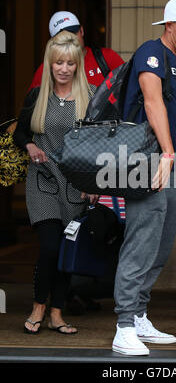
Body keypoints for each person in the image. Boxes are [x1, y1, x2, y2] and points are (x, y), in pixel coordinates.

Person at [111, 0, 176, 356]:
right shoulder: (152, 50)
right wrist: (166, 153)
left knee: (162, 243)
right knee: (141, 242)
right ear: (168, 26)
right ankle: (123, 327)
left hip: (173, 163)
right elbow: (152, 102)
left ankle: (138, 316)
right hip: (146, 161)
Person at [13, 31, 97, 334]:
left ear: (77, 65)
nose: (64, 68)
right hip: (43, 181)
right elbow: (20, 132)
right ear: (50, 64)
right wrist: (31, 146)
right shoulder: (38, 96)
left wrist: (94, 184)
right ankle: (38, 307)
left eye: (70, 63)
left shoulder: (91, 98)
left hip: (76, 184)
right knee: (49, 247)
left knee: (64, 250)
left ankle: (57, 314)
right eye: (58, 62)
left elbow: (99, 146)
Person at [28, 10, 124, 90]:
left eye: (73, 33)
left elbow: (129, 90)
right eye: (64, 36)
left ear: (81, 31)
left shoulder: (107, 58)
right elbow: (33, 107)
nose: (70, 39)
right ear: (55, 42)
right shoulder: (45, 70)